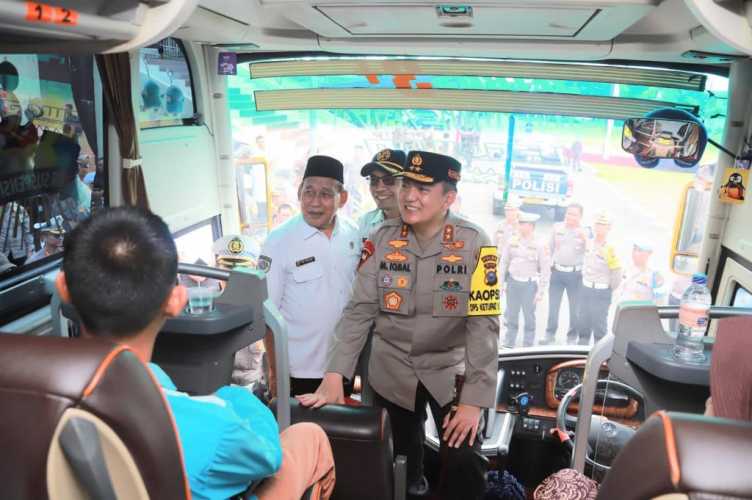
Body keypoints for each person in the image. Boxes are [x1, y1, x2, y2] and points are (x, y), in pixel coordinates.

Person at [55, 207, 335, 500]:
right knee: (309, 437)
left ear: (64, 289)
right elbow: (268, 455)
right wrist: (232, 397)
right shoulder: (216, 427)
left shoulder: (24, 401)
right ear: (176, 301)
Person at [298, 151, 500, 500]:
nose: (409, 195)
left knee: (464, 460)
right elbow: (359, 311)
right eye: (406, 184)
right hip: (392, 371)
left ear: (448, 197)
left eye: (423, 188)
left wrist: (474, 401)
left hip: (448, 370)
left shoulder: (477, 243)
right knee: (399, 464)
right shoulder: (381, 238)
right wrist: (335, 374)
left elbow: (484, 325)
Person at [258, 155, 360, 397]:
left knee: (340, 434)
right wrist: (275, 372)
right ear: (298, 193)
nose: (314, 202)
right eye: (308, 192)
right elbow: (266, 314)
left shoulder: (353, 234)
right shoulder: (278, 242)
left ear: (342, 198)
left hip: (343, 366)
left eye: (325, 194)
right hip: (298, 371)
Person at [501, 211, 551, 348]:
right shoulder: (512, 241)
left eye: (523, 224)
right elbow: (504, 263)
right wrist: (500, 284)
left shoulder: (540, 244)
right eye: (520, 223)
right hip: (513, 283)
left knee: (529, 317)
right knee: (511, 314)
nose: (520, 226)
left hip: (529, 285)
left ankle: (528, 344)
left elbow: (546, 270)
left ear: (531, 226)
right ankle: (509, 342)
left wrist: (540, 291)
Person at [543, 203, 587, 345]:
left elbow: (591, 251)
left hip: (576, 275)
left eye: (574, 214)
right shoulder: (557, 228)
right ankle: (549, 334)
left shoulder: (585, 232)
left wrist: (585, 238)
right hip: (557, 272)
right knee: (553, 306)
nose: (570, 217)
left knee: (575, 309)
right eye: (568, 213)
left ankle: (572, 337)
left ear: (580, 217)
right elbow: (548, 249)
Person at [577, 211, 621, 345]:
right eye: (597, 225)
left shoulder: (611, 248)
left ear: (609, 228)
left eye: (603, 225)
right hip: (586, 288)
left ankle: (599, 353)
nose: (599, 228)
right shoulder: (589, 243)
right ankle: (581, 347)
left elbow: (616, 273)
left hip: (601, 291)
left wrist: (608, 289)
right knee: (583, 320)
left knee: (599, 324)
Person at [356, 148, 405, 243]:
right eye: (374, 180)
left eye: (388, 180)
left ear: (406, 183)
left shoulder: (421, 225)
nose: (379, 188)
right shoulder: (364, 223)